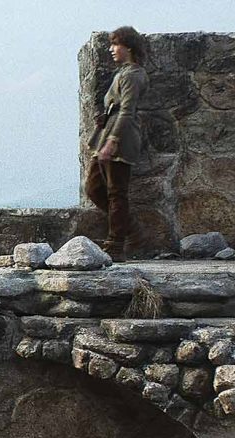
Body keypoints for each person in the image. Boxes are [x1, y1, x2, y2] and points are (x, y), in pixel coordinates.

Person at [86, 26, 149, 262]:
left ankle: (115, 244)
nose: (112, 49)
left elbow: (128, 111)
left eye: (116, 45)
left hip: (121, 138)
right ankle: (132, 230)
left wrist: (113, 141)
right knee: (94, 188)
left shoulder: (133, 75)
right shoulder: (124, 73)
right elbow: (117, 107)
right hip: (109, 132)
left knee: (116, 193)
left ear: (129, 47)